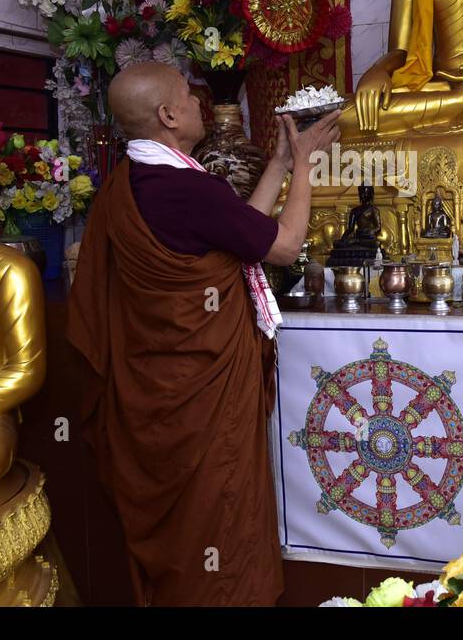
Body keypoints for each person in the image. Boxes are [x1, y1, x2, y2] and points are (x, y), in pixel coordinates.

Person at [67, 62, 340, 606]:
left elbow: (242, 233)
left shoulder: (130, 181)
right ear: (168, 115)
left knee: (185, 531)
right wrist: (306, 167)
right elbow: (282, 246)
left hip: (155, 395)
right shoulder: (185, 187)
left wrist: (282, 162)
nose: (200, 105)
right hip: (202, 397)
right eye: (189, 99)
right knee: (217, 515)